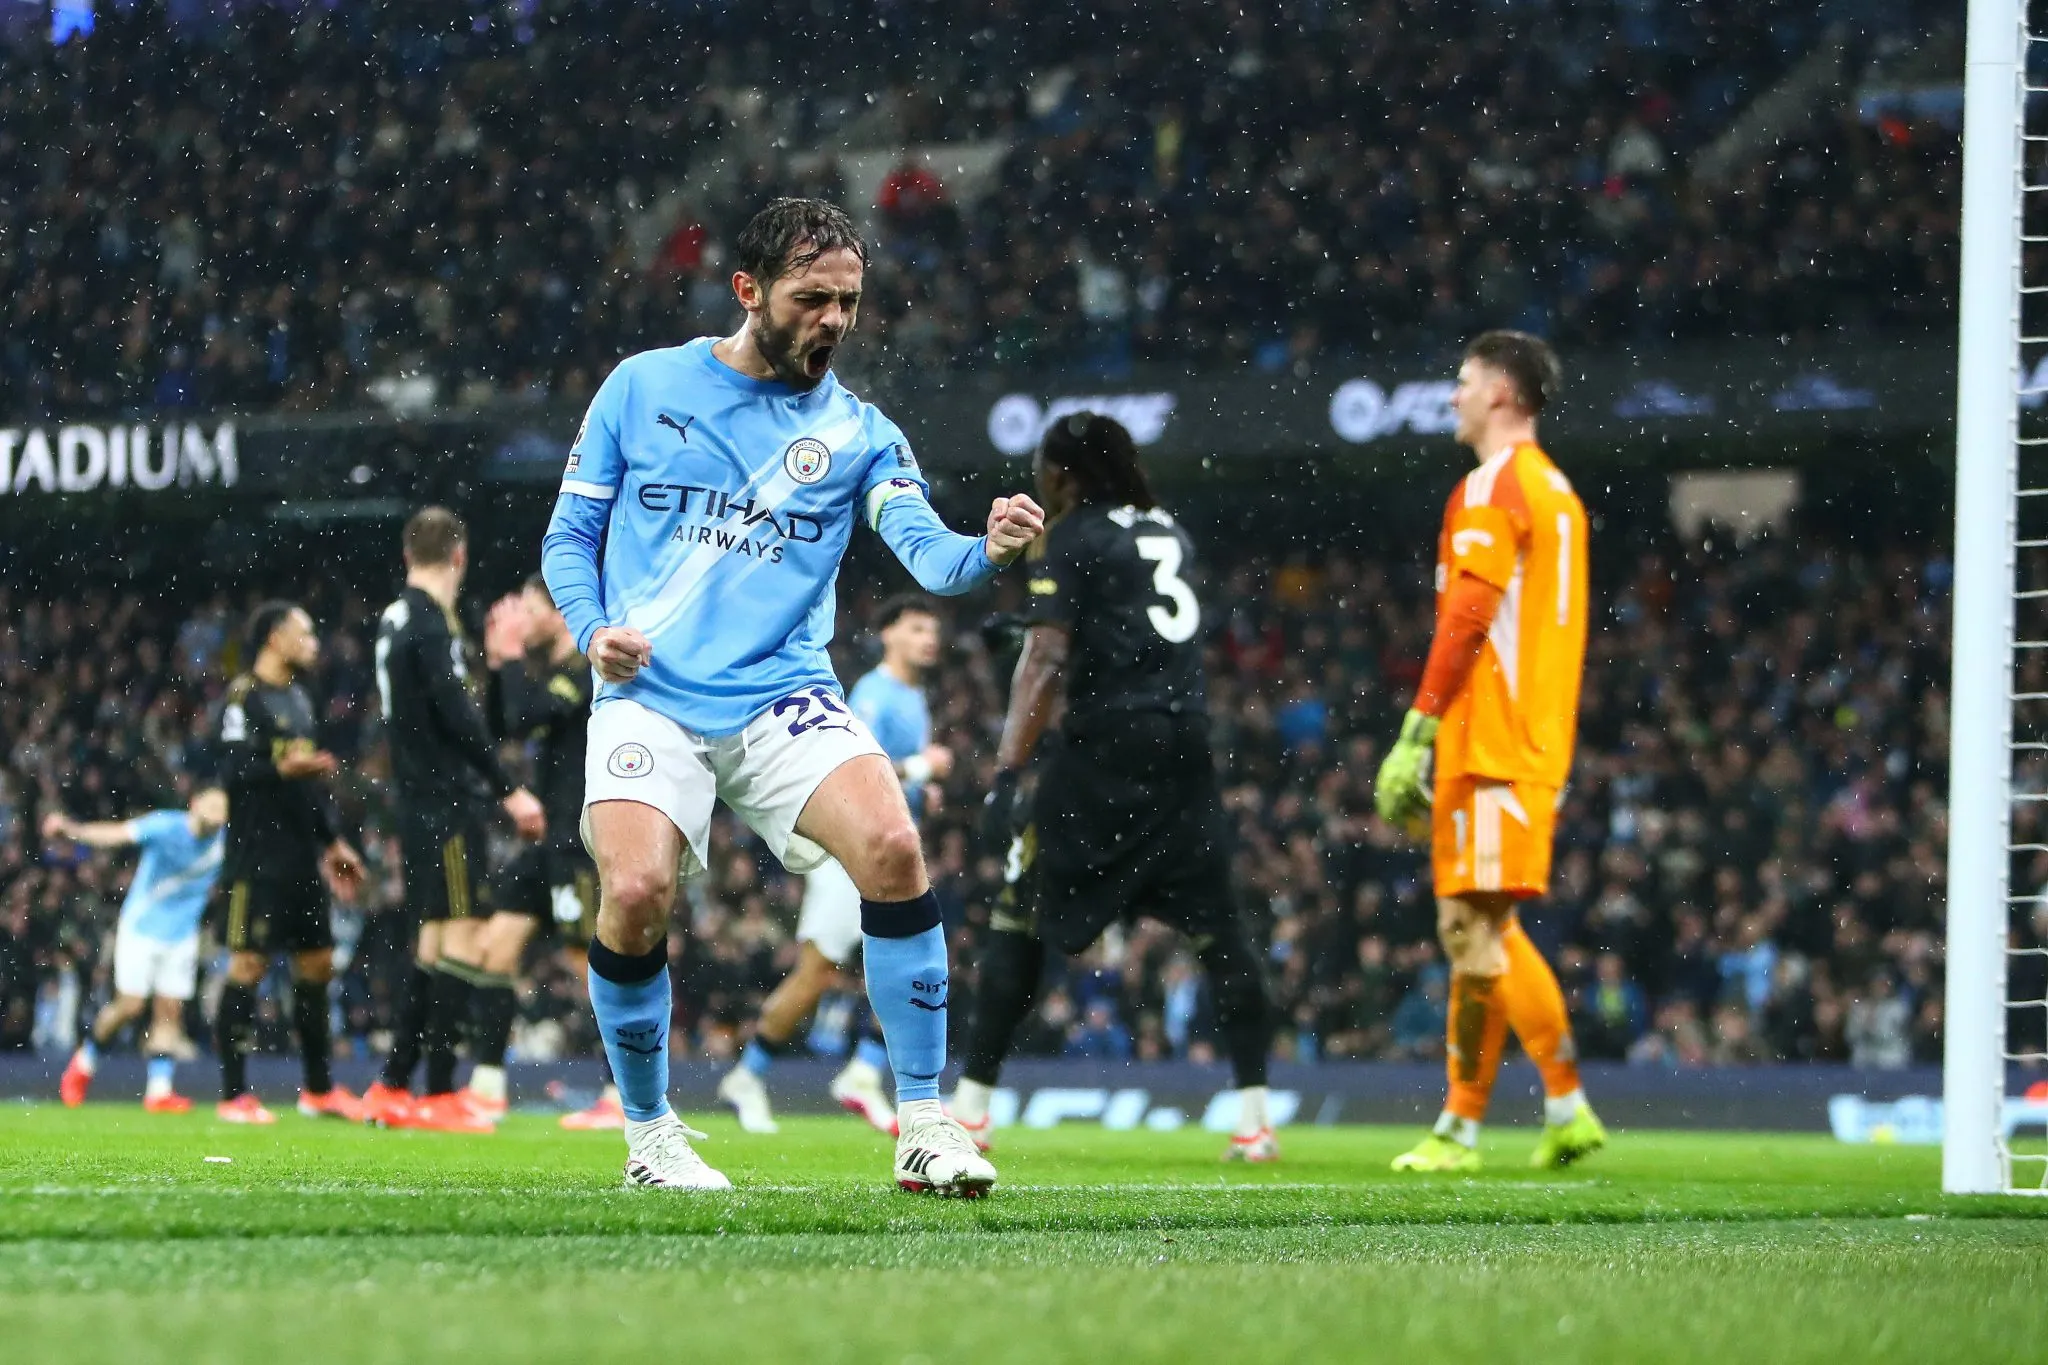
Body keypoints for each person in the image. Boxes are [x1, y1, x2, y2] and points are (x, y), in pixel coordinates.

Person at [542, 197, 1042, 1193]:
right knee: (634, 895)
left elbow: (931, 561)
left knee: (896, 850)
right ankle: (651, 1137)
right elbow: (568, 540)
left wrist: (986, 548)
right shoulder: (641, 388)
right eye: (811, 299)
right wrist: (593, 631)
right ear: (747, 292)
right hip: (650, 695)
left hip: (781, 693)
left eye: (847, 304)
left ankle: (925, 1123)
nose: (832, 321)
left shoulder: (860, 435)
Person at [953, 412, 1279, 1162]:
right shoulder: (1170, 529)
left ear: (1063, 474)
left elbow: (1045, 657)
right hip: (1187, 747)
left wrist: (1006, 771)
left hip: (1107, 749)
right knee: (1222, 934)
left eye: (1045, 470)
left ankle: (970, 1108)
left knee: (1020, 912)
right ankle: (1255, 1118)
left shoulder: (1071, 535)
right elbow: (1143, 624)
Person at [1374, 329, 1609, 1172]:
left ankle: (1486, 1123)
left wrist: (1418, 730)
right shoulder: (1557, 492)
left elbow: (1470, 616)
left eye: (1465, 380)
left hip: (1494, 738)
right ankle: (1528, 1114)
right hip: (1526, 735)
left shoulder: (1495, 484)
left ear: (1504, 394)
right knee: (1472, 924)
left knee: (1480, 929)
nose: (1454, 395)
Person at [717, 594, 955, 1136]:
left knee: (900, 954)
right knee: (824, 970)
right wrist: (920, 767)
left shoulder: (913, 697)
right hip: (849, 850)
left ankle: (860, 1071)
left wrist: (922, 792)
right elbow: (849, 771)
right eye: (916, 628)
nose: (929, 639)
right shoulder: (874, 693)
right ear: (889, 634)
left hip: (878, 852)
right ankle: (759, 1074)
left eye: (933, 630)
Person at [360, 508, 547, 1134]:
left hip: (417, 803)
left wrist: (494, 667)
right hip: (446, 804)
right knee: (461, 939)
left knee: (434, 943)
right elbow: (459, 719)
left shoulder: (397, 619)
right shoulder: (430, 625)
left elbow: (473, 718)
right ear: (460, 555)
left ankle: (392, 1084)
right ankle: (439, 1094)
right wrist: (510, 790)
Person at [210, 602, 368, 1124]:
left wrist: (332, 843)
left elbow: (308, 789)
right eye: (306, 633)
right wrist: (282, 765)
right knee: (248, 966)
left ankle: (318, 1091)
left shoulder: (301, 699)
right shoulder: (243, 697)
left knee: (318, 964)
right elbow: (232, 771)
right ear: (276, 637)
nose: (314, 643)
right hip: (255, 859)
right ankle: (234, 1096)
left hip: (301, 859)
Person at [480, 574, 622, 1131]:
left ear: (560, 612)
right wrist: (498, 666)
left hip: (579, 843)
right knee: (495, 950)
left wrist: (511, 656)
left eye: (529, 607)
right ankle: (486, 1086)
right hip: (544, 844)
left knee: (591, 968)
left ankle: (622, 1095)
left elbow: (524, 717)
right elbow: (500, 724)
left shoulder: (587, 672)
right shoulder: (546, 676)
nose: (519, 617)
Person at [50, 788, 228, 1113]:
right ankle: (83, 1063)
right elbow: (117, 834)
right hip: (141, 929)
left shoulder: (223, 842)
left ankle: (159, 1091)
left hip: (182, 936)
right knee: (130, 1006)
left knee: (169, 1011)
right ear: (193, 807)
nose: (213, 824)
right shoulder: (165, 826)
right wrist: (72, 830)